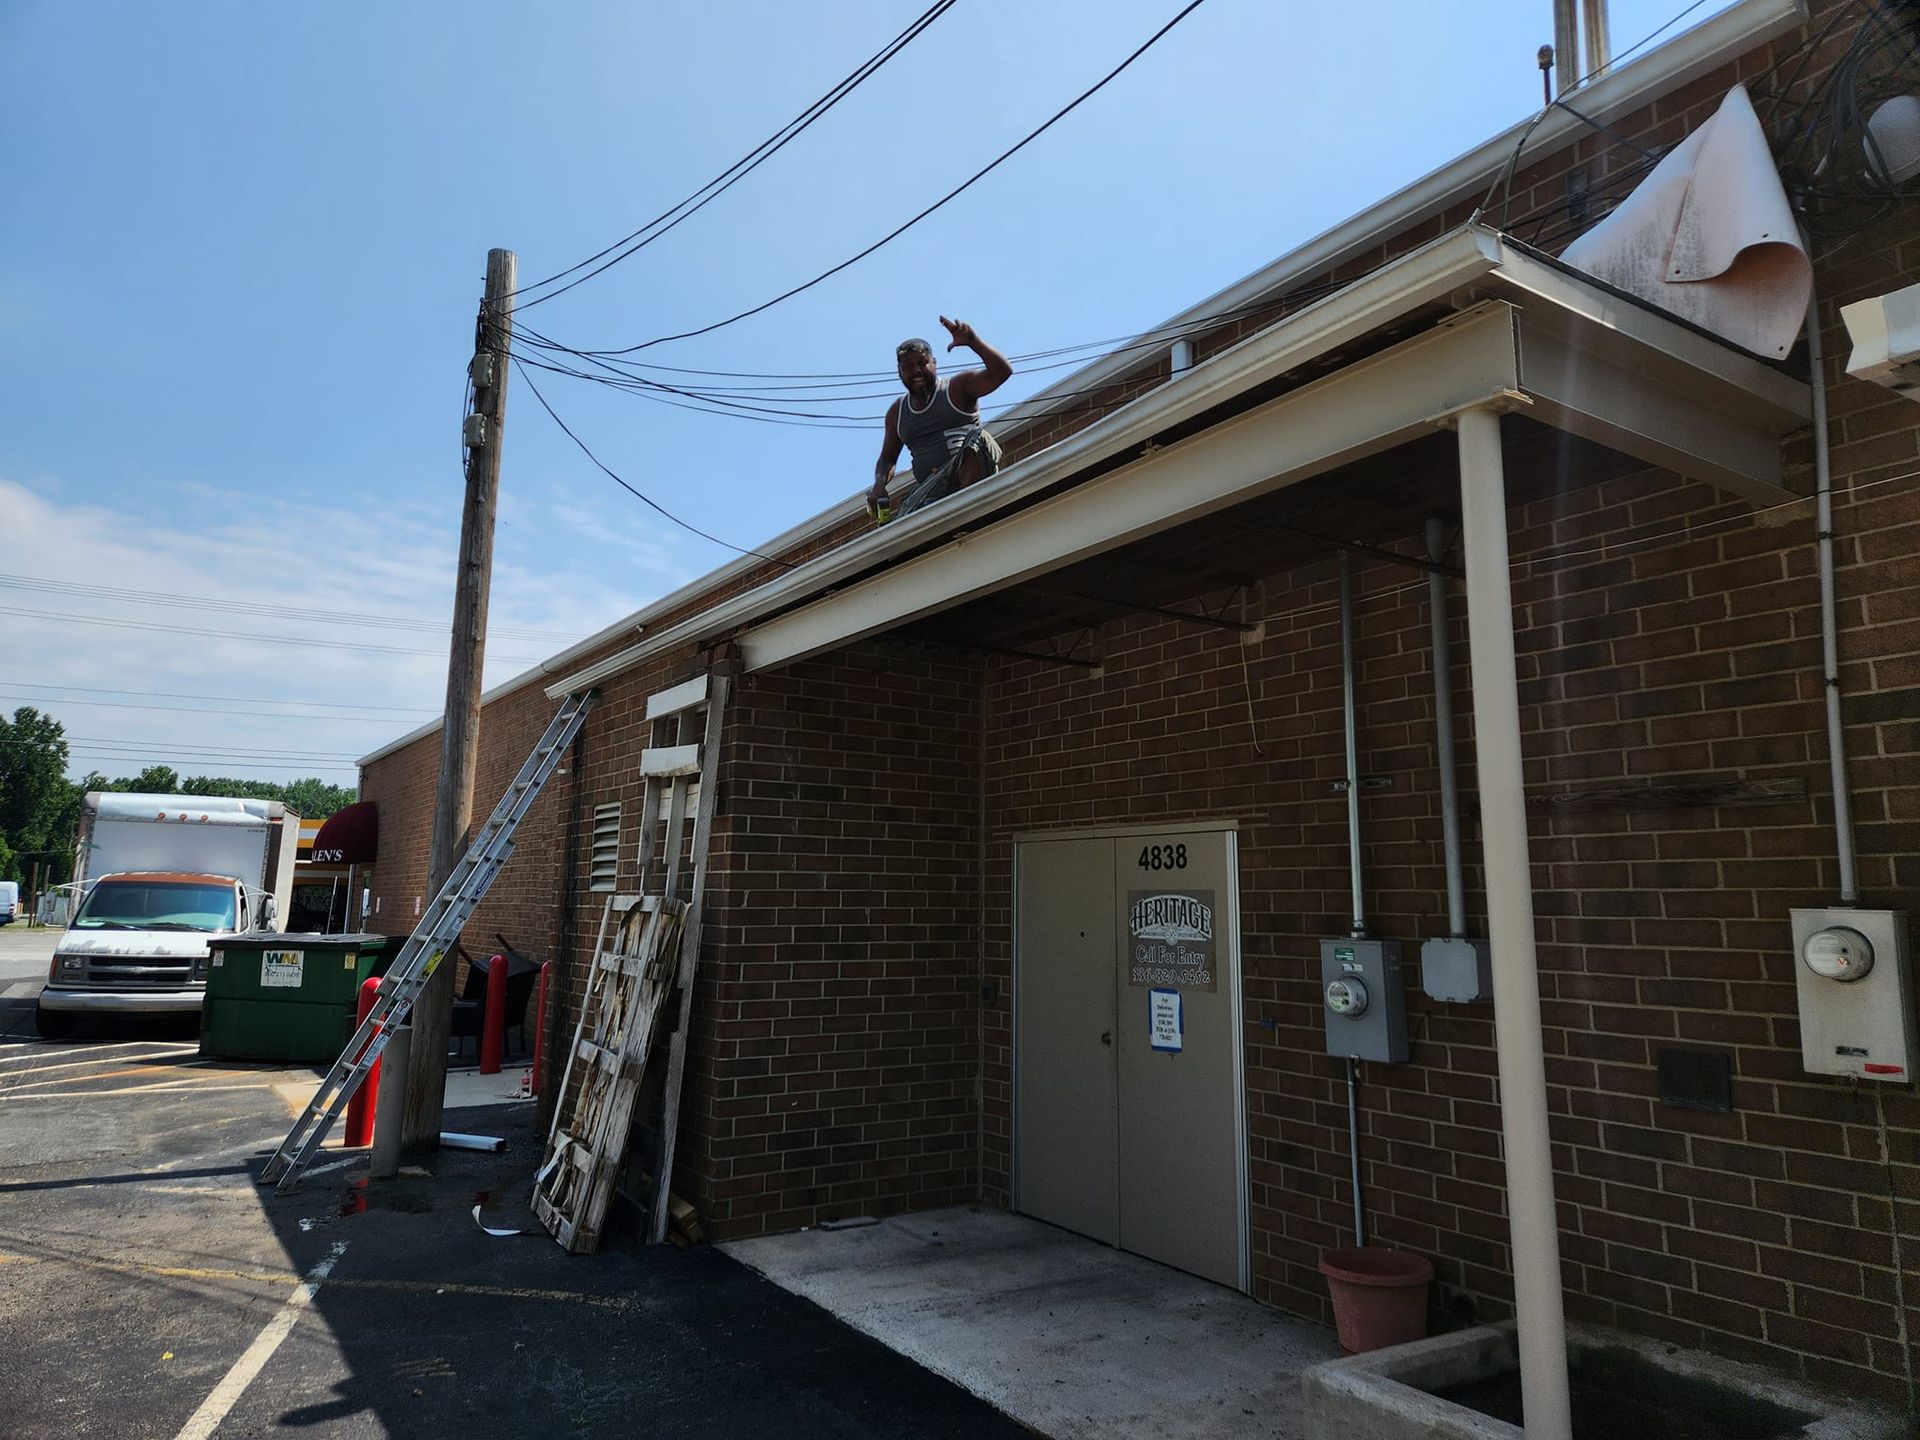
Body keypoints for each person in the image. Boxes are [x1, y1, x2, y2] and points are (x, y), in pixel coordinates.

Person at [869, 316, 1012, 522]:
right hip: (931, 489)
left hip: (969, 478)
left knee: (980, 438)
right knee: (899, 524)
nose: (916, 370)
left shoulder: (957, 388)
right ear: (899, 373)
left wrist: (973, 341)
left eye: (922, 363)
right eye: (908, 367)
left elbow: (1002, 372)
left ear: (934, 363)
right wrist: (879, 485)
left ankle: (966, 512)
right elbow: (887, 458)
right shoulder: (896, 413)